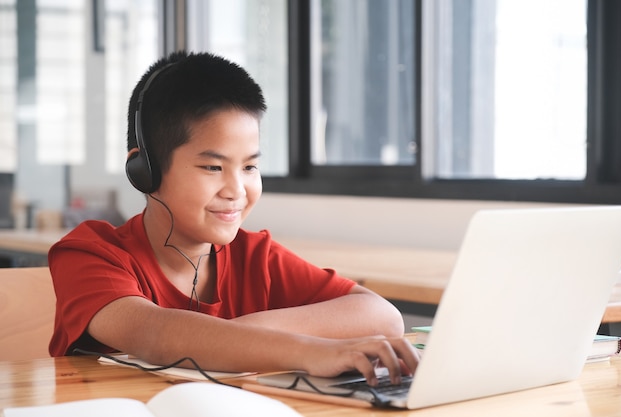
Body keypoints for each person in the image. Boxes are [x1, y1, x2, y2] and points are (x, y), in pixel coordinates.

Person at [48, 51, 419, 386]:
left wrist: (242, 333)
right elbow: (154, 333)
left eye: (250, 166)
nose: (236, 189)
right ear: (145, 169)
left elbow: (382, 316)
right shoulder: (90, 253)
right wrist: (307, 349)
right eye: (213, 166)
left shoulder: (255, 256)